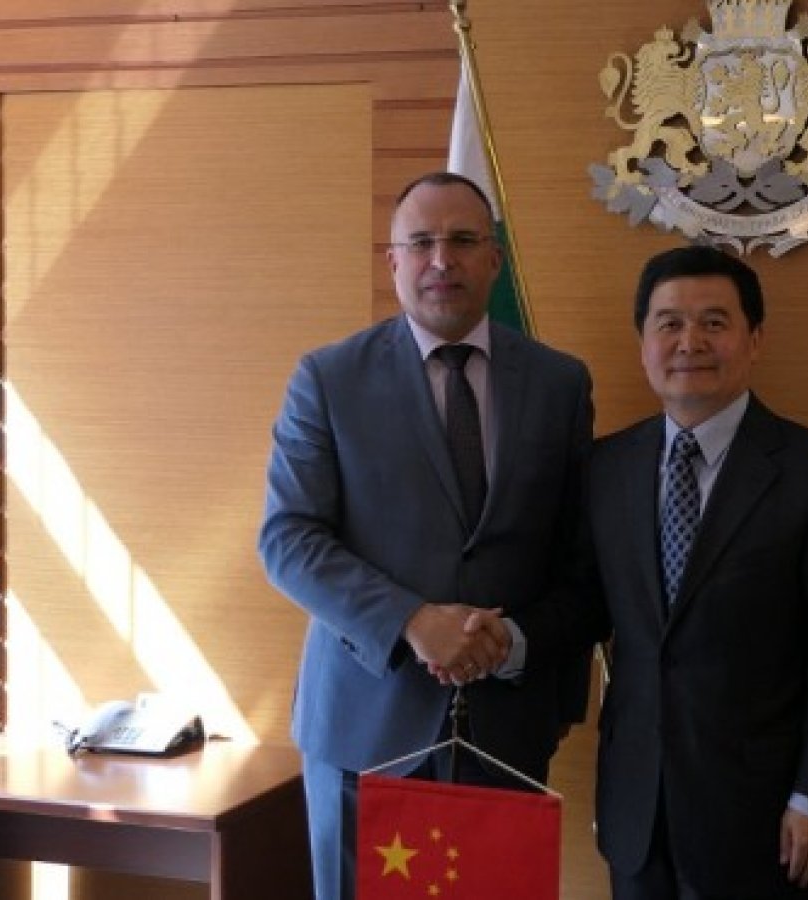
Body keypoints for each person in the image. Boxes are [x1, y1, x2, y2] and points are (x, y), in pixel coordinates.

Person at [258, 172, 594, 900]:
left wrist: (515, 642)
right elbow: (288, 539)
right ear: (394, 262)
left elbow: (578, 559)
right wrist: (411, 621)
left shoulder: (560, 384)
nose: (443, 259)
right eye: (421, 242)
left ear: (494, 259)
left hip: (506, 731)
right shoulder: (329, 379)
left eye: (464, 240)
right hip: (364, 728)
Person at [588, 245, 808, 899]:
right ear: (643, 343)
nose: (690, 341)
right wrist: (499, 638)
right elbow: (582, 608)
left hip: (767, 821)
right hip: (637, 814)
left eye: (714, 322)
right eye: (669, 323)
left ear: (755, 340)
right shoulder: (605, 468)